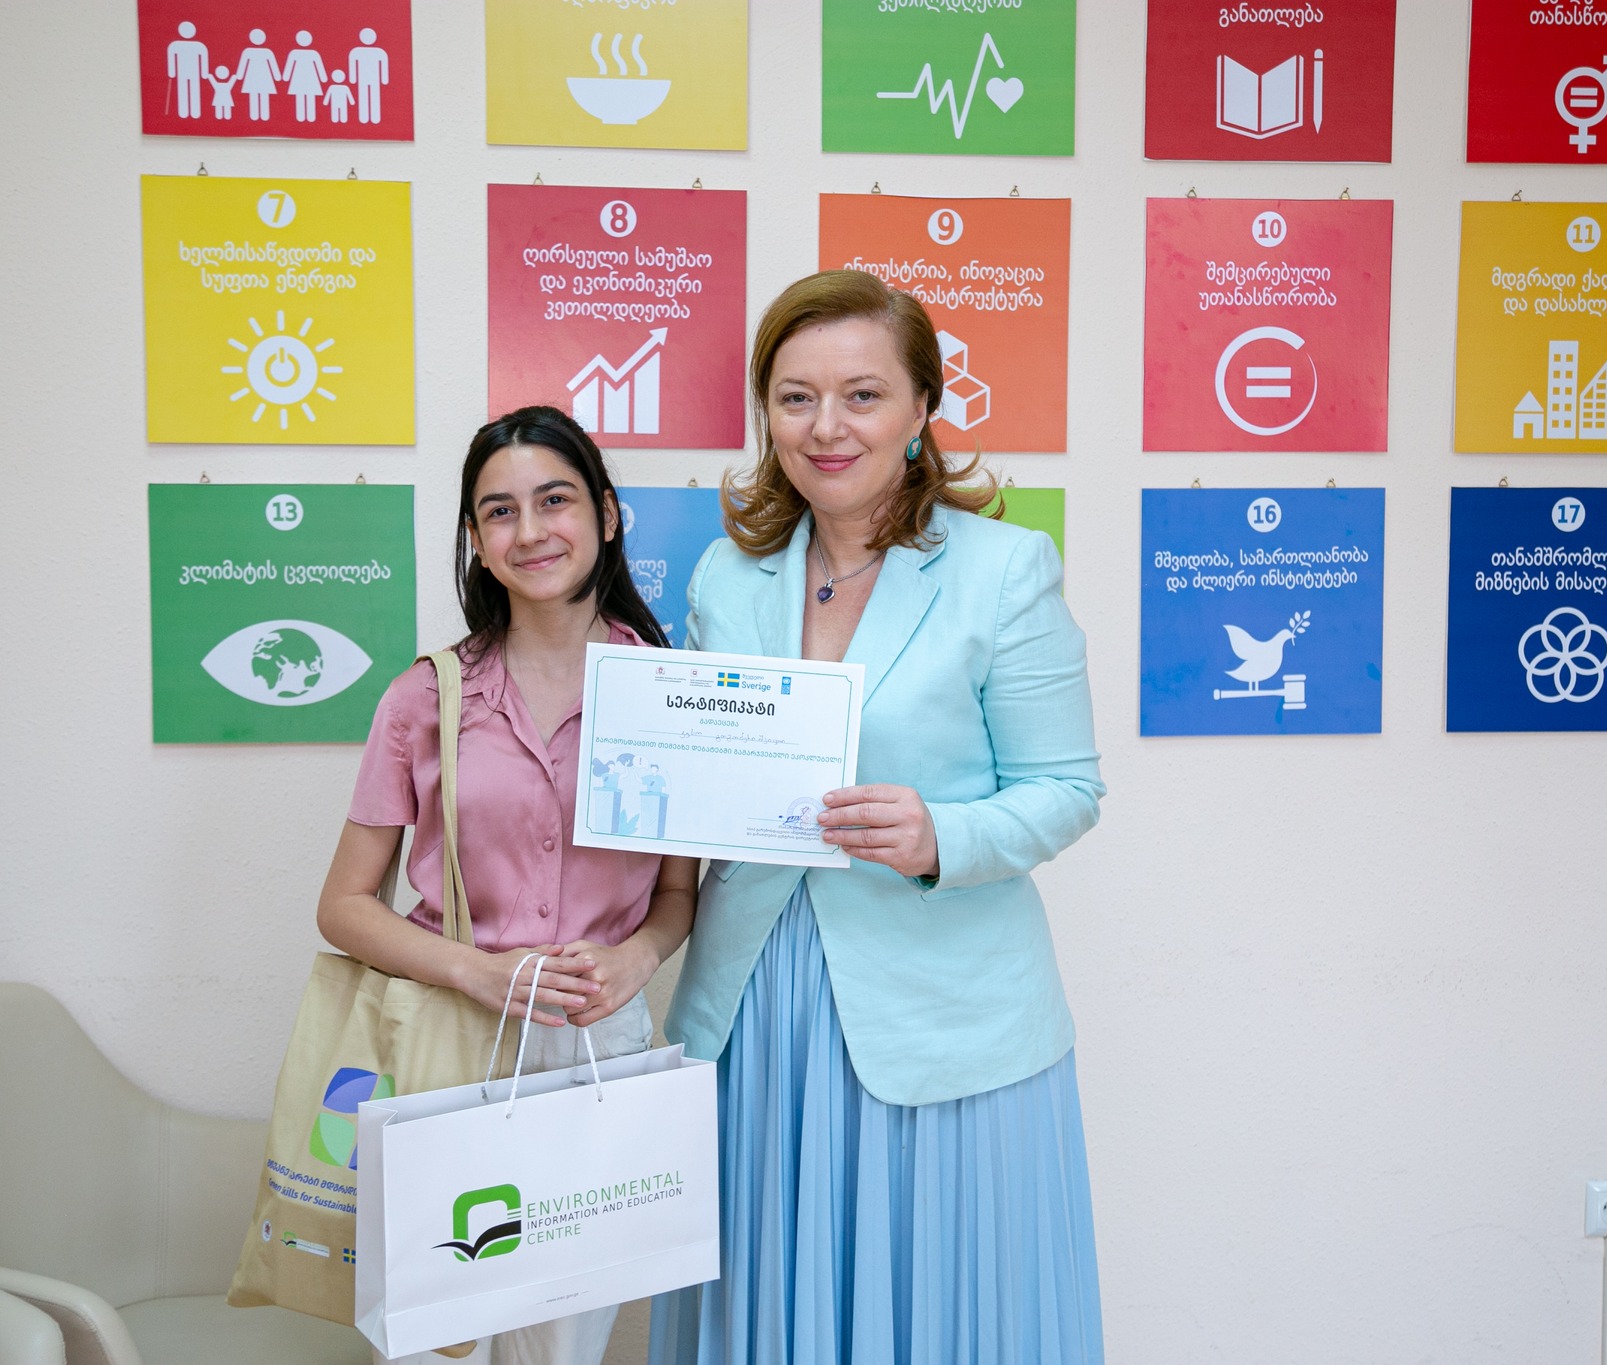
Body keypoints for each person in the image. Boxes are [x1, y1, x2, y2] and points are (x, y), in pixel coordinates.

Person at [648, 269, 1106, 1363]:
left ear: (919, 409)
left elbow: (1067, 789)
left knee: (942, 1306)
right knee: (769, 1293)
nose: (827, 426)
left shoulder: (1004, 570)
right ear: (766, 414)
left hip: (943, 1014)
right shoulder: (727, 574)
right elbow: (698, 776)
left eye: (861, 394)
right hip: (760, 1005)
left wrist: (941, 835)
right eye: (795, 397)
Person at [318, 407, 696, 1365]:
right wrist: (477, 971)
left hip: (596, 1051)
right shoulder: (425, 696)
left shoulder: (671, 693)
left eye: (554, 500)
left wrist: (635, 960)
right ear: (476, 540)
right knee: (434, 1344)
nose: (530, 531)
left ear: (606, 514)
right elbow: (343, 906)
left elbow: (677, 897)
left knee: (561, 1348)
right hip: (450, 1039)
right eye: (499, 511)